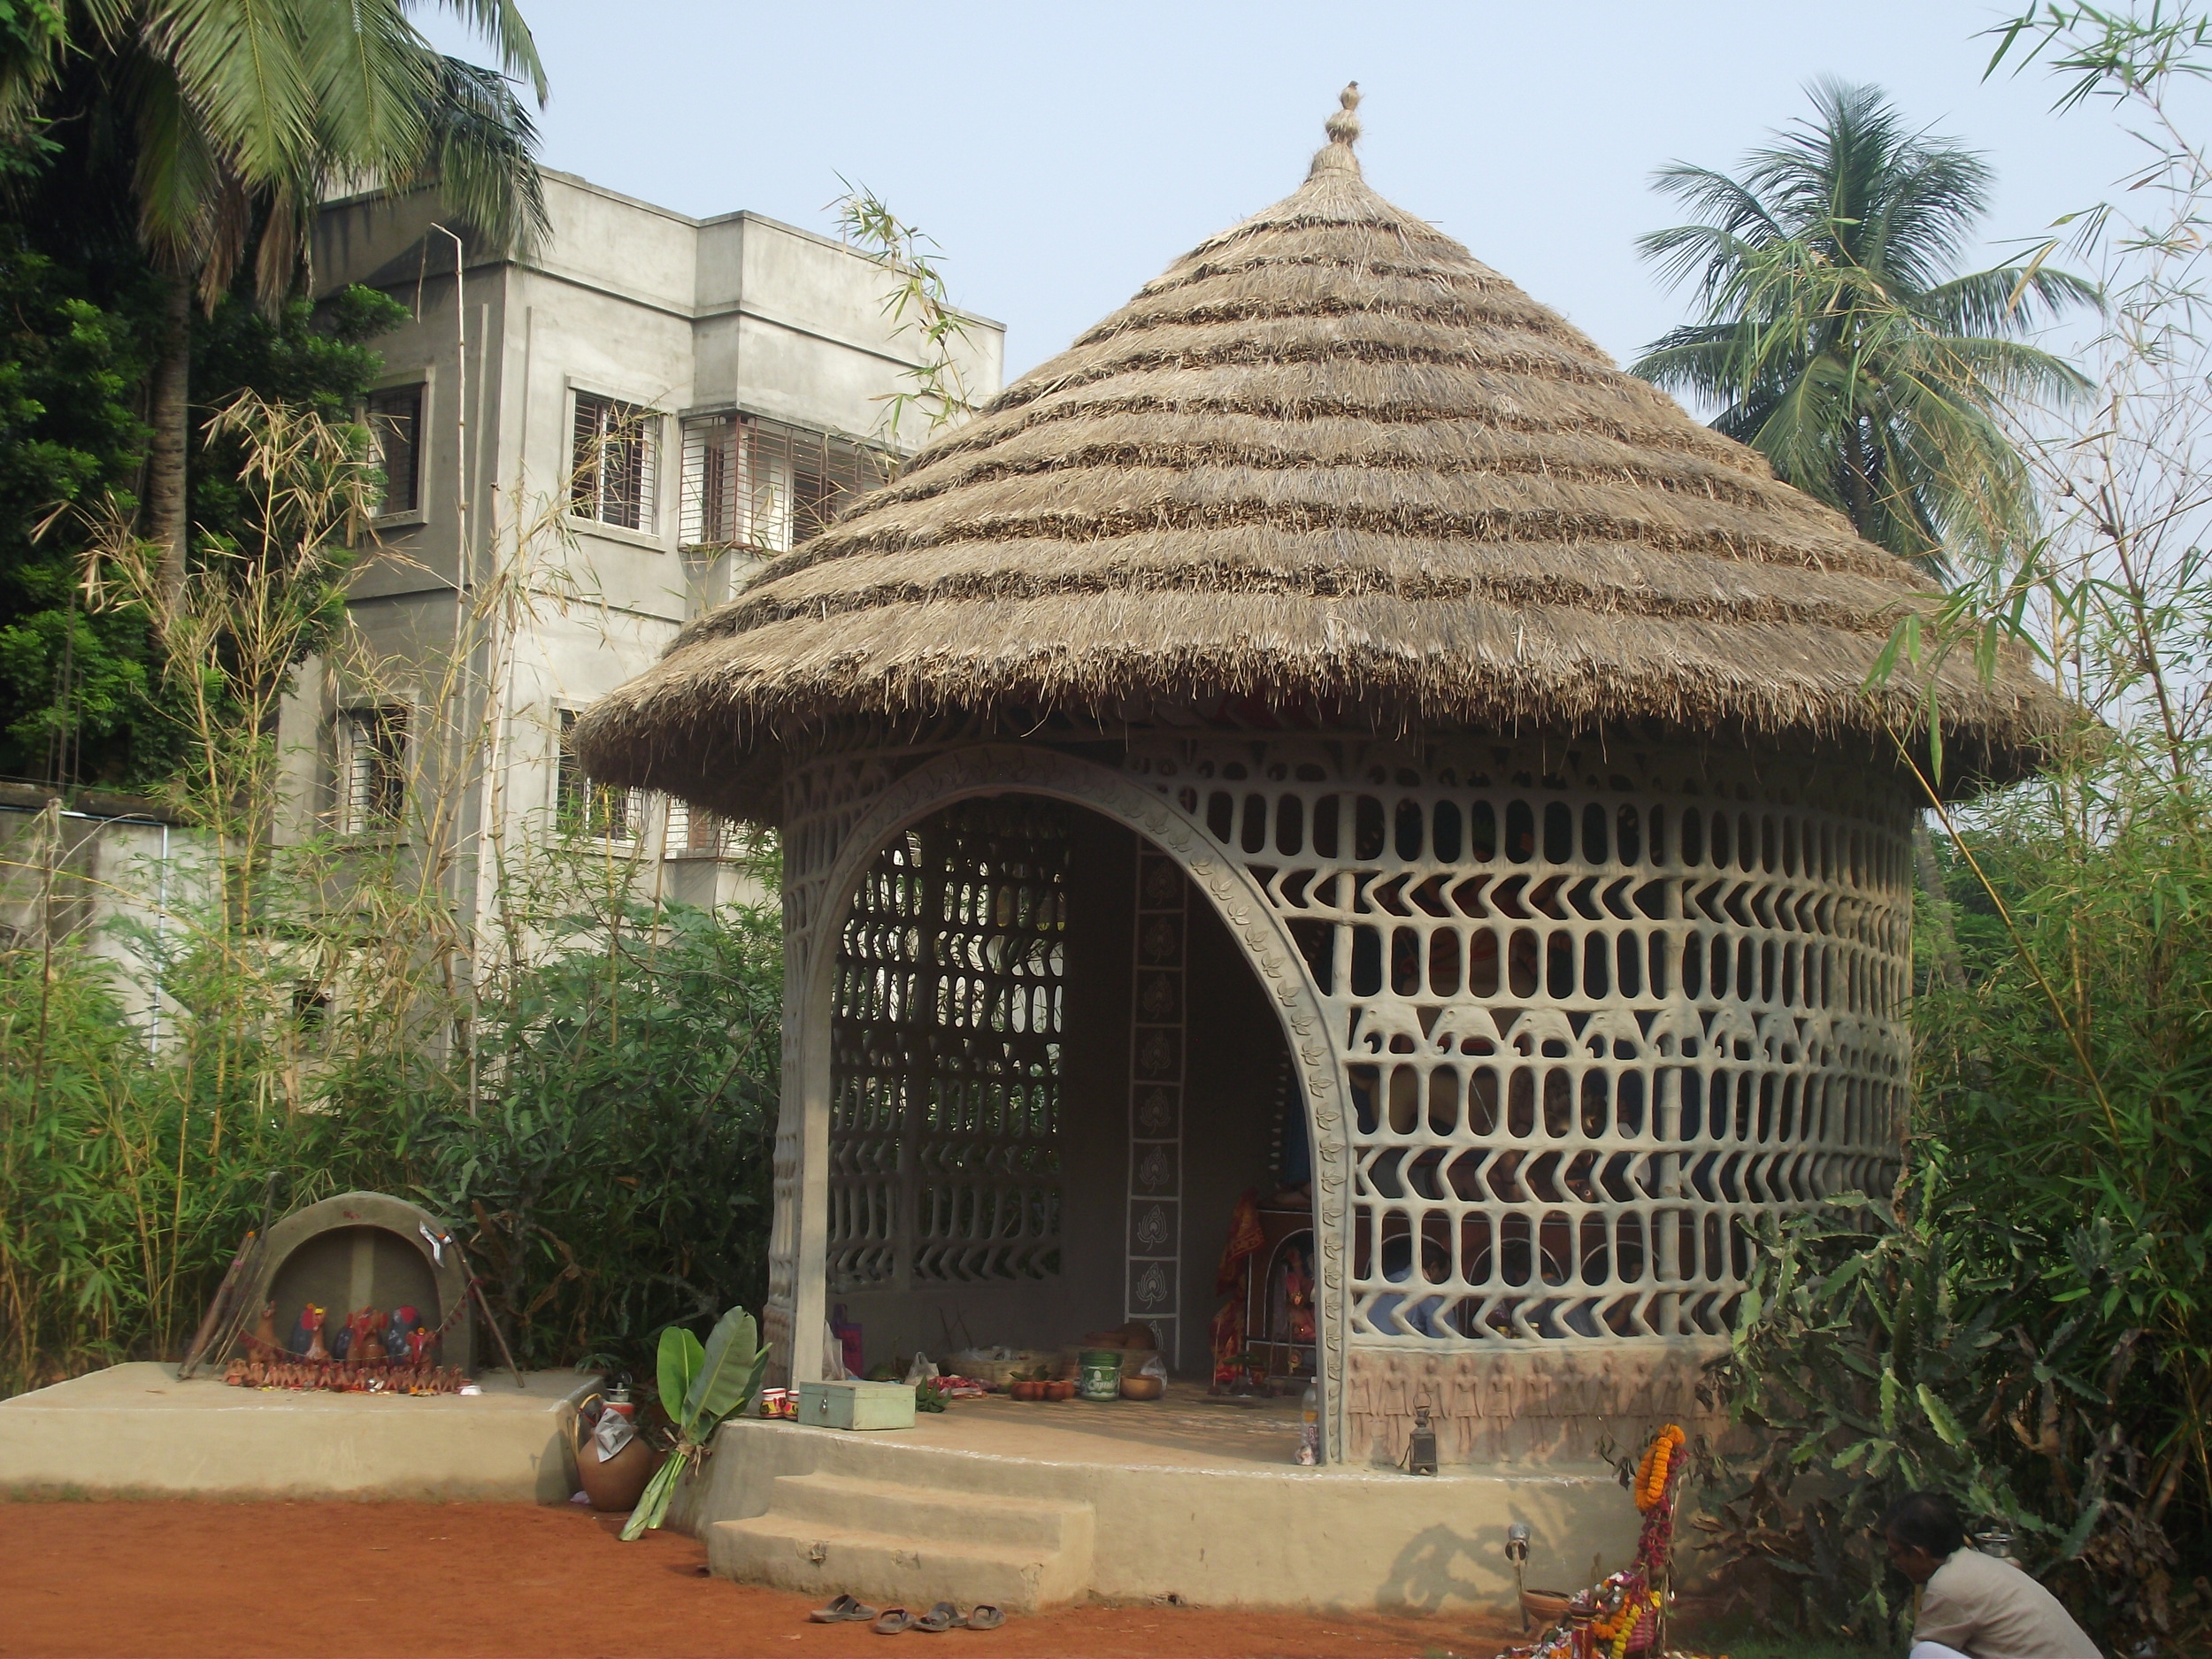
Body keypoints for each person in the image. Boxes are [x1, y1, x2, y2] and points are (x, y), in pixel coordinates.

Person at [1883, 1491, 2101, 1659]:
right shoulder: (1981, 1564)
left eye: (1895, 1553)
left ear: (1919, 1553)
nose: (1895, 1562)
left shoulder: (1950, 1585)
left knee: (1926, 1653)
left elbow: (1922, 1652)